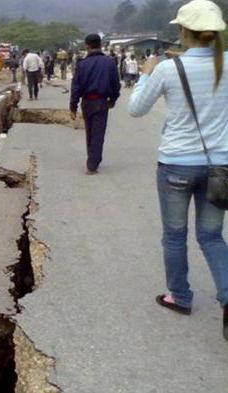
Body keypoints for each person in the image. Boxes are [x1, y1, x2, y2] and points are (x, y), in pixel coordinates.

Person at [127, 0, 228, 341]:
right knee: (212, 236)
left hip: (176, 166)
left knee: (174, 234)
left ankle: (180, 296)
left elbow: (136, 110)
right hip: (219, 167)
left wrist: (144, 76)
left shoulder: (169, 69)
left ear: (184, 32)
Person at [70, 33, 121, 174]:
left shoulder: (82, 65)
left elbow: (76, 87)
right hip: (102, 101)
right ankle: (93, 163)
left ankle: (92, 160)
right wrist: (113, 99)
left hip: (87, 102)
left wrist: (73, 106)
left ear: (87, 45)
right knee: (98, 132)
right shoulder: (110, 63)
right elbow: (115, 84)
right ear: (100, 45)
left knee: (90, 131)